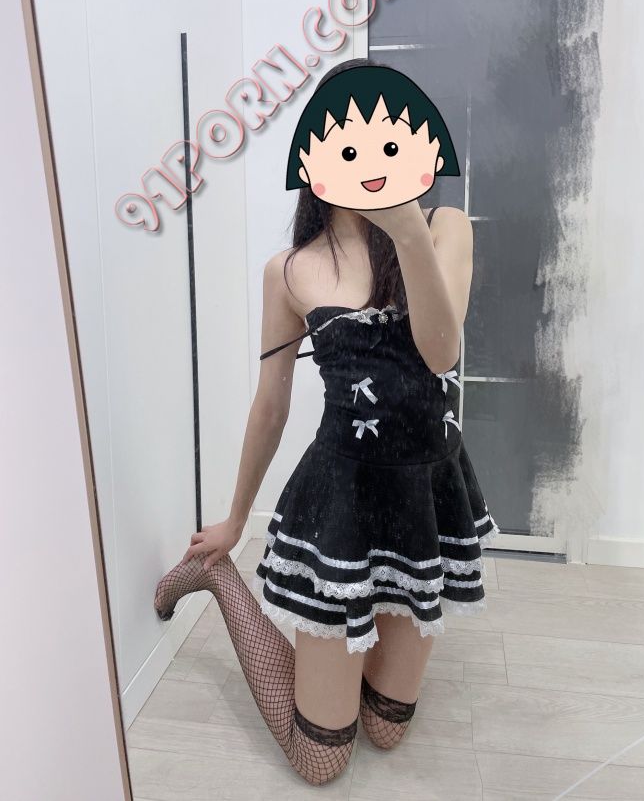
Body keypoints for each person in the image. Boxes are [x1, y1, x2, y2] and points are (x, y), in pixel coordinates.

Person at [154, 59, 498, 786]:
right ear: (314, 162)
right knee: (321, 760)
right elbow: (271, 402)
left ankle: (350, 656)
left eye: (390, 144)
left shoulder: (444, 228)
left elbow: (441, 354)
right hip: (340, 500)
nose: (372, 163)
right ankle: (217, 582)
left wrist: (406, 233)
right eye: (350, 147)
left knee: (386, 730)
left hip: (425, 496)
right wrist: (234, 521)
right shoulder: (289, 270)